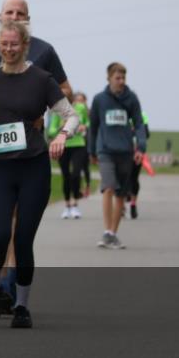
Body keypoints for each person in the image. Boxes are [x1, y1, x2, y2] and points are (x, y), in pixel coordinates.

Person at [0, 20, 78, 328]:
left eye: (14, 44)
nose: (9, 50)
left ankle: (21, 306)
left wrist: (61, 136)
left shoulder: (41, 79)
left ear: (25, 46)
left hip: (33, 166)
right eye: (4, 45)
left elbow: (70, 115)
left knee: (23, 240)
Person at [88, 63, 147, 251]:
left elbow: (139, 124)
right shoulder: (99, 100)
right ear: (109, 78)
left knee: (121, 193)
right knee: (108, 187)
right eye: (117, 78)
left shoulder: (132, 99)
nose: (121, 82)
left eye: (123, 78)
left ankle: (112, 234)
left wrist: (141, 147)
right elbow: (93, 127)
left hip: (126, 152)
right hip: (105, 151)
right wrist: (91, 151)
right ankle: (106, 231)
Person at [48, 92, 90, 219]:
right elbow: (51, 130)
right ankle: (67, 206)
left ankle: (75, 204)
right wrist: (61, 127)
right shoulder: (56, 111)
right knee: (66, 176)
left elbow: (88, 122)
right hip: (63, 146)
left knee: (76, 174)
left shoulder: (80, 108)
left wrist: (84, 126)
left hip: (79, 144)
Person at [127, 111, 150, 219]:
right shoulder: (120, 112)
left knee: (134, 178)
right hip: (122, 152)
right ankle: (121, 205)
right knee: (122, 178)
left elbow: (146, 134)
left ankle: (133, 204)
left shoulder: (141, 115)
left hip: (137, 152)